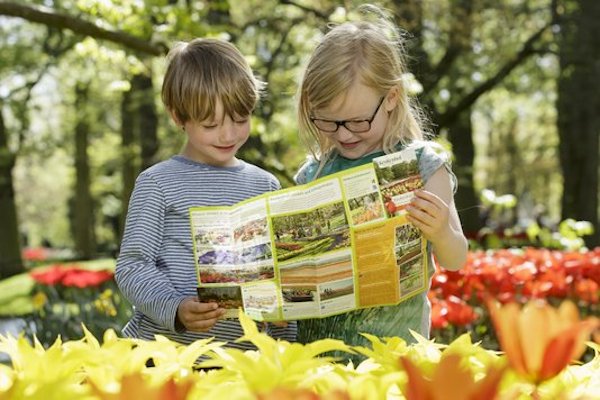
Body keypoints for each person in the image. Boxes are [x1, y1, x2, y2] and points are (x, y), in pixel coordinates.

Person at [294, 5, 468, 358]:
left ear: (391, 98)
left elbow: (456, 257)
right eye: (328, 122)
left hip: (394, 353)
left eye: (357, 121)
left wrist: (440, 232)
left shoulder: (423, 164)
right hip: (318, 352)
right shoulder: (312, 173)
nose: (344, 135)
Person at [115, 38, 296, 352]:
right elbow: (133, 266)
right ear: (178, 116)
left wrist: (286, 329)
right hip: (165, 357)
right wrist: (176, 308)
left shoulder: (265, 185)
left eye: (240, 119)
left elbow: (277, 272)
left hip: (244, 360)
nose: (228, 135)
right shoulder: (157, 183)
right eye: (211, 124)